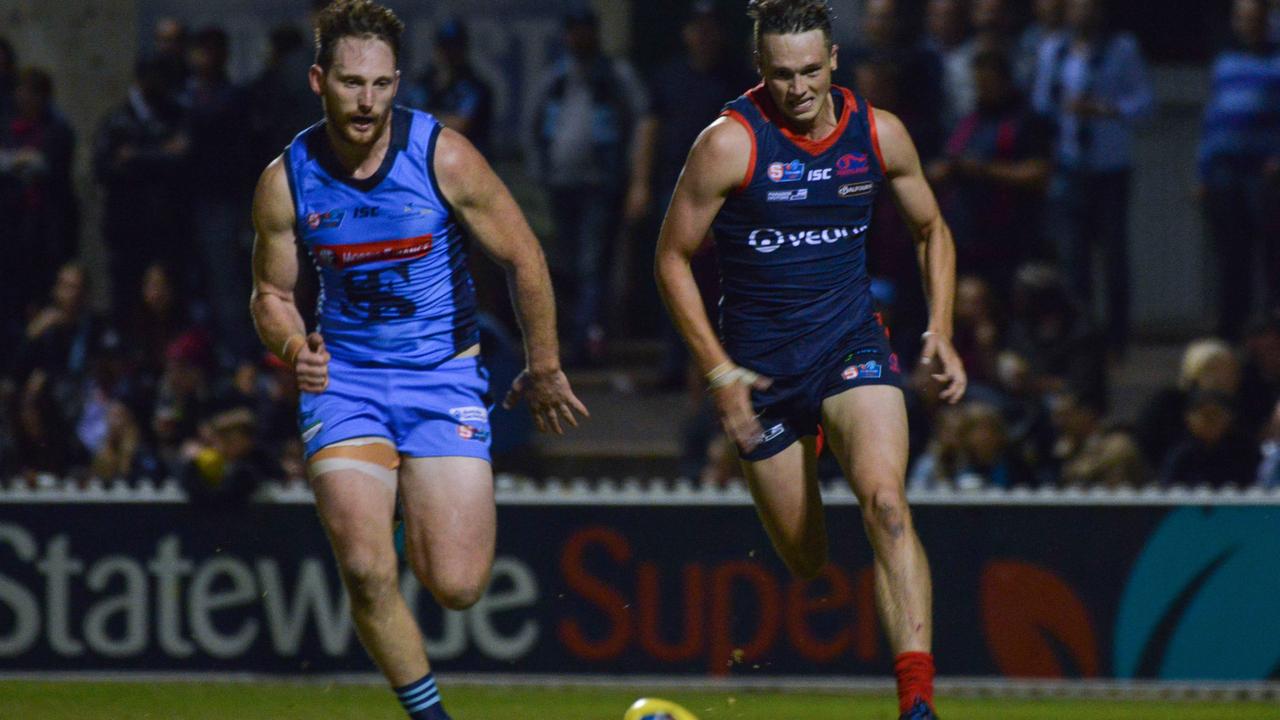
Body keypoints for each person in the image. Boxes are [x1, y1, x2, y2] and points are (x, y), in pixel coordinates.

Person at [248, 3, 587, 719]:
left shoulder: (443, 155)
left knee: (458, 586)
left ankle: (402, 502)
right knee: (368, 569)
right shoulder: (288, 178)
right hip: (346, 384)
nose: (366, 101)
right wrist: (291, 346)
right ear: (319, 81)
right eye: (350, 83)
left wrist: (546, 364)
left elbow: (523, 255)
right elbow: (270, 294)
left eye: (379, 84)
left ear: (397, 81)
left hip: (443, 379)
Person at [654, 3, 966, 718]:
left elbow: (931, 228)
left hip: (850, 345)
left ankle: (917, 704)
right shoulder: (729, 144)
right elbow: (670, 258)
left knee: (887, 504)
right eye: (780, 75)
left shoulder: (879, 133)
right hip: (761, 373)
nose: (796, 89)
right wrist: (717, 372)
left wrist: (940, 329)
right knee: (808, 560)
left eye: (808, 72)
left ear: (833, 62)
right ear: (761, 72)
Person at [529, 5, 657, 364]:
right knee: (565, 264)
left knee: (591, 264)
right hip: (560, 184)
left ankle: (583, 342)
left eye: (585, 29)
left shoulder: (616, 74)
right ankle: (576, 335)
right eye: (573, 30)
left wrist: (636, 178)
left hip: (601, 183)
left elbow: (643, 117)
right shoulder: (555, 76)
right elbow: (533, 124)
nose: (579, 37)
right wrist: (539, 172)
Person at [1031, 0, 1153, 356]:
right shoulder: (1055, 49)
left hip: (1110, 168)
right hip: (1070, 166)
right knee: (1073, 259)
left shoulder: (1123, 48)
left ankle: (1117, 341)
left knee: (1114, 259)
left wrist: (1106, 109)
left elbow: (1145, 103)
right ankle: (1081, 340)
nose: (1084, 13)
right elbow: (1041, 101)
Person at [1197, 0, 1280, 340]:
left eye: (1255, 18)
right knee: (1231, 255)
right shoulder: (1225, 63)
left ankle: (1270, 329)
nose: (1248, 24)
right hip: (1223, 171)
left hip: (1261, 173)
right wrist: (1202, 172)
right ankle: (1231, 331)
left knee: (1270, 255)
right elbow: (1211, 119)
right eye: (1242, 18)